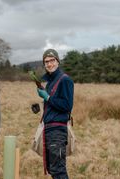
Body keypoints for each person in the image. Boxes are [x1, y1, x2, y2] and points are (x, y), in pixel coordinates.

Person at [37, 49, 74, 179]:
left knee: (58, 171)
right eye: (46, 62)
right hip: (48, 129)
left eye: (52, 60)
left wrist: (47, 98)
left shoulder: (65, 80)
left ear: (58, 61)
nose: (49, 64)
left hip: (57, 131)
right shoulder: (50, 82)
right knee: (52, 170)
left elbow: (67, 106)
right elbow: (52, 104)